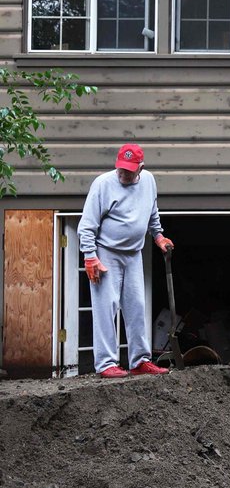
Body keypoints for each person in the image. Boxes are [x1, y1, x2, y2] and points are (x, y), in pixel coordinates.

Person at [79, 143, 173, 378]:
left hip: (133, 254)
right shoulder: (103, 184)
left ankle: (140, 360)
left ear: (141, 167)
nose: (123, 173)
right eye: (121, 168)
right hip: (105, 253)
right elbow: (87, 225)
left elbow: (151, 210)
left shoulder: (149, 181)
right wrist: (90, 257)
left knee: (136, 308)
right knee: (105, 308)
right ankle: (106, 364)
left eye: (129, 170)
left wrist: (158, 235)